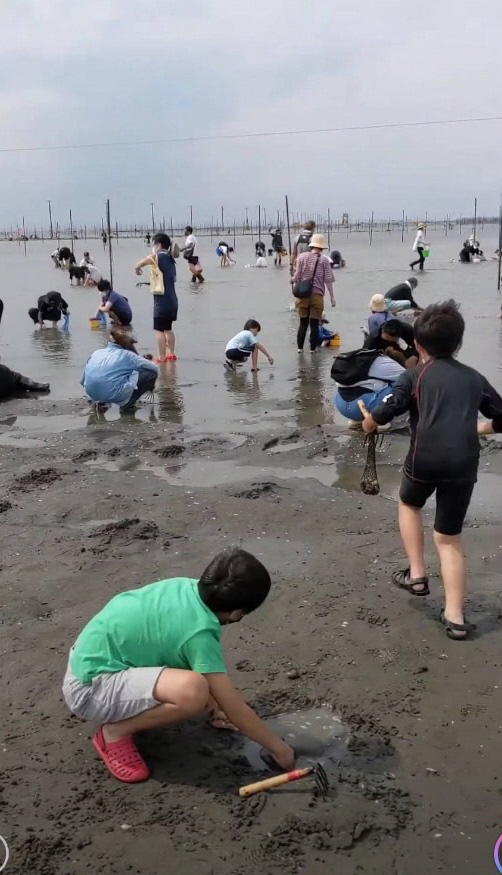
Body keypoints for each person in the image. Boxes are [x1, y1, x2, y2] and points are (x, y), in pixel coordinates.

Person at [62, 547, 295, 783]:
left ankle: (131, 714)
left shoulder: (184, 588)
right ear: (236, 614)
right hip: (89, 691)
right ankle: (114, 733)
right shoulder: (199, 634)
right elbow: (235, 708)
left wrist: (215, 709)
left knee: (197, 677)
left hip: (87, 661)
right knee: (192, 692)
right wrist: (279, 749)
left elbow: (185, 655)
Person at [358, 300, 502, 640]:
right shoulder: (474, 378)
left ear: (418, 345)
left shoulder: (414, 375)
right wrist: (479, 428)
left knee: (409, 504)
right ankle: (455, 617)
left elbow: (384, 412)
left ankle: (418, 575)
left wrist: (367, 421)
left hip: (424, 459)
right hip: (463, 464)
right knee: (449, 537)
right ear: (459, 343)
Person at [81, 326, 158, 414]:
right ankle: (127, 405)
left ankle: (100, 402)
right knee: (151, 373)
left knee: (112, 375)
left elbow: (83, 381)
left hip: (92, 393)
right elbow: (154, 368)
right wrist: (151, 385)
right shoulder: (129, 355)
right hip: (112, 393)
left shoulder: (97, 353)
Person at [135, 232, 178, 363]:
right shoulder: (171, 259)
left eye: (154, 244)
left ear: (158, 245)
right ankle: (171, 354)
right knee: (168, 329)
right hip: (172, 300)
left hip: (162, 302)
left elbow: (147, 259)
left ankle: (162, 356)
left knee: (159, 330)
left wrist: (137, 267)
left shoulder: (159, 256)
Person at [333, 349, 404, 428]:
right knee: (400, 387)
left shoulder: (362, 360)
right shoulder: (389, 364)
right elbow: (409, 380)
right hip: (365, 405)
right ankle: (380, 421)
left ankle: (358, 420)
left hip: (341, 406)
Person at [292, 233, 335, 353]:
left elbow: (297, 276)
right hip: (317, 295)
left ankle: (300, 349)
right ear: (322, 247)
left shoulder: (301, 257)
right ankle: (312, 349)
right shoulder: (324, 260)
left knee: (303, 323)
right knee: (314, 324)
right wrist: (332, 297)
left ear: (311, 246)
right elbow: (328, 280)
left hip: (303, 294)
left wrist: (292, 279)